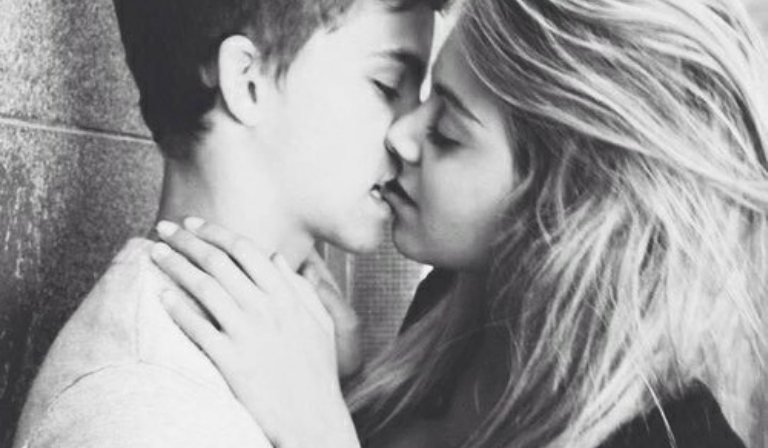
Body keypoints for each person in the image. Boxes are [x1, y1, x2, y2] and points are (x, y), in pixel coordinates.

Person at [149, 0, 768, 447]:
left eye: (446, 131)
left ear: (565, 198)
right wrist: (345, 380)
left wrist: (321, 432)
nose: (402, 134)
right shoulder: (450, 315)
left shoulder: (676, 439)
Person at [12, 0, 441, 446]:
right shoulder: (146, 410)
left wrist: (345, 394)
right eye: (388, 86)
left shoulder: (298, 363)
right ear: (246, 80)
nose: (409, 136)